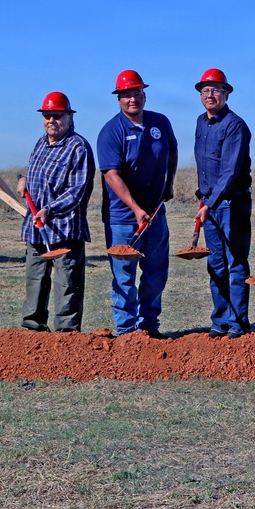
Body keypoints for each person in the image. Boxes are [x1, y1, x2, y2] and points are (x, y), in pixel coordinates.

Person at [97, 70, 178, 337]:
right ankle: (126, 331)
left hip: (155, 214)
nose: (133, 99)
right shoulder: (111, 131)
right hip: (123, 218)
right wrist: (135, 208)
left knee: (156, 272)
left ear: (144, 95)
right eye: (127, 95)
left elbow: (172, 152)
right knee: (124, 275)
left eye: (137, 93)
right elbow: (111, 174)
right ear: (119, 99)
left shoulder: (160, 122)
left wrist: (168, 186)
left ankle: (149, 327)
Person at [17, 92, 96, 332]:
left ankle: (66, 337)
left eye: (57, 116)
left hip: (65, 230)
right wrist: (23, 179)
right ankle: (33, 331)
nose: (51, 120)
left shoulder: (78, 147)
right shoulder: (41, 143)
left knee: (67, 286)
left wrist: (49, 210)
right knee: (35, 281)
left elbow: (77, 191)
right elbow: (35, 174)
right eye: (47, 115)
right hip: (36, 230)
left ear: (70, 117)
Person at [193, 68, 252, 339]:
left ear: (226, 94)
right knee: (215, 264)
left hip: (232, 205)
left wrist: (210, 203)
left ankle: (238, 321)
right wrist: (202, 197)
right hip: (210, 203)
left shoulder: (234, 125)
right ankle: (220, 320)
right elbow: (204, 165)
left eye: (216, 90)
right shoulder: (201, 123)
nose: (210, 95)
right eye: (205, 90)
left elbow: (229, 171)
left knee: (235, 263)